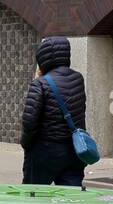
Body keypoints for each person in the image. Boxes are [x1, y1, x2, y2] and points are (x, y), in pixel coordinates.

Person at [19, 36, 87, 187]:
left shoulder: (40, 84)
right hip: (73, 151)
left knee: (33, 195)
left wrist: (26, 144)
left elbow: (29, 122)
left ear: (43, 57)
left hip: (45, 151)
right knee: (69, 197)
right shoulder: (78, 79)